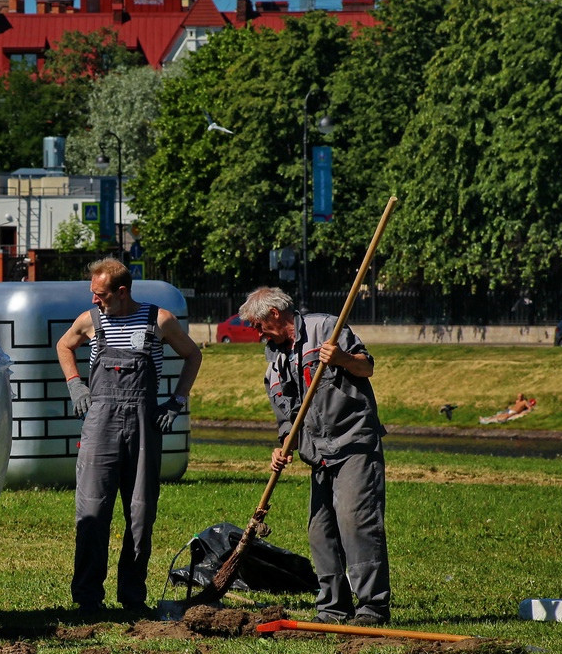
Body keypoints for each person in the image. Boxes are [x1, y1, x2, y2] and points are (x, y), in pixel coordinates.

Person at [56, 258, 202, 615]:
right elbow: (64, 346)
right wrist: (76, 385)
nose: (95, 300)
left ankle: (132, 598)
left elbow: (193, 355)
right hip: (100, 425)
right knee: (92, 510)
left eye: (101, 294)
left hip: (143, 424)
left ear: (122, 292)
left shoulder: (160, 320)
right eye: (93, 293)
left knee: (140, 513)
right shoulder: (90, 321)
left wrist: (176, 401)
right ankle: (88, 599)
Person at [238, 286, 390, 626]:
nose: (255, 332)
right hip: (317, 454)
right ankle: (333, 608)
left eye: (256, 324)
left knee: (355, 522)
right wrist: (283, 446)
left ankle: (371, 608)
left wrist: (341, 360)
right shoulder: (274, 362)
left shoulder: (326, 329)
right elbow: (287, 417)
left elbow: (366, 368)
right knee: (320, 531)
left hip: (353, 443)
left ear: (274, 314)